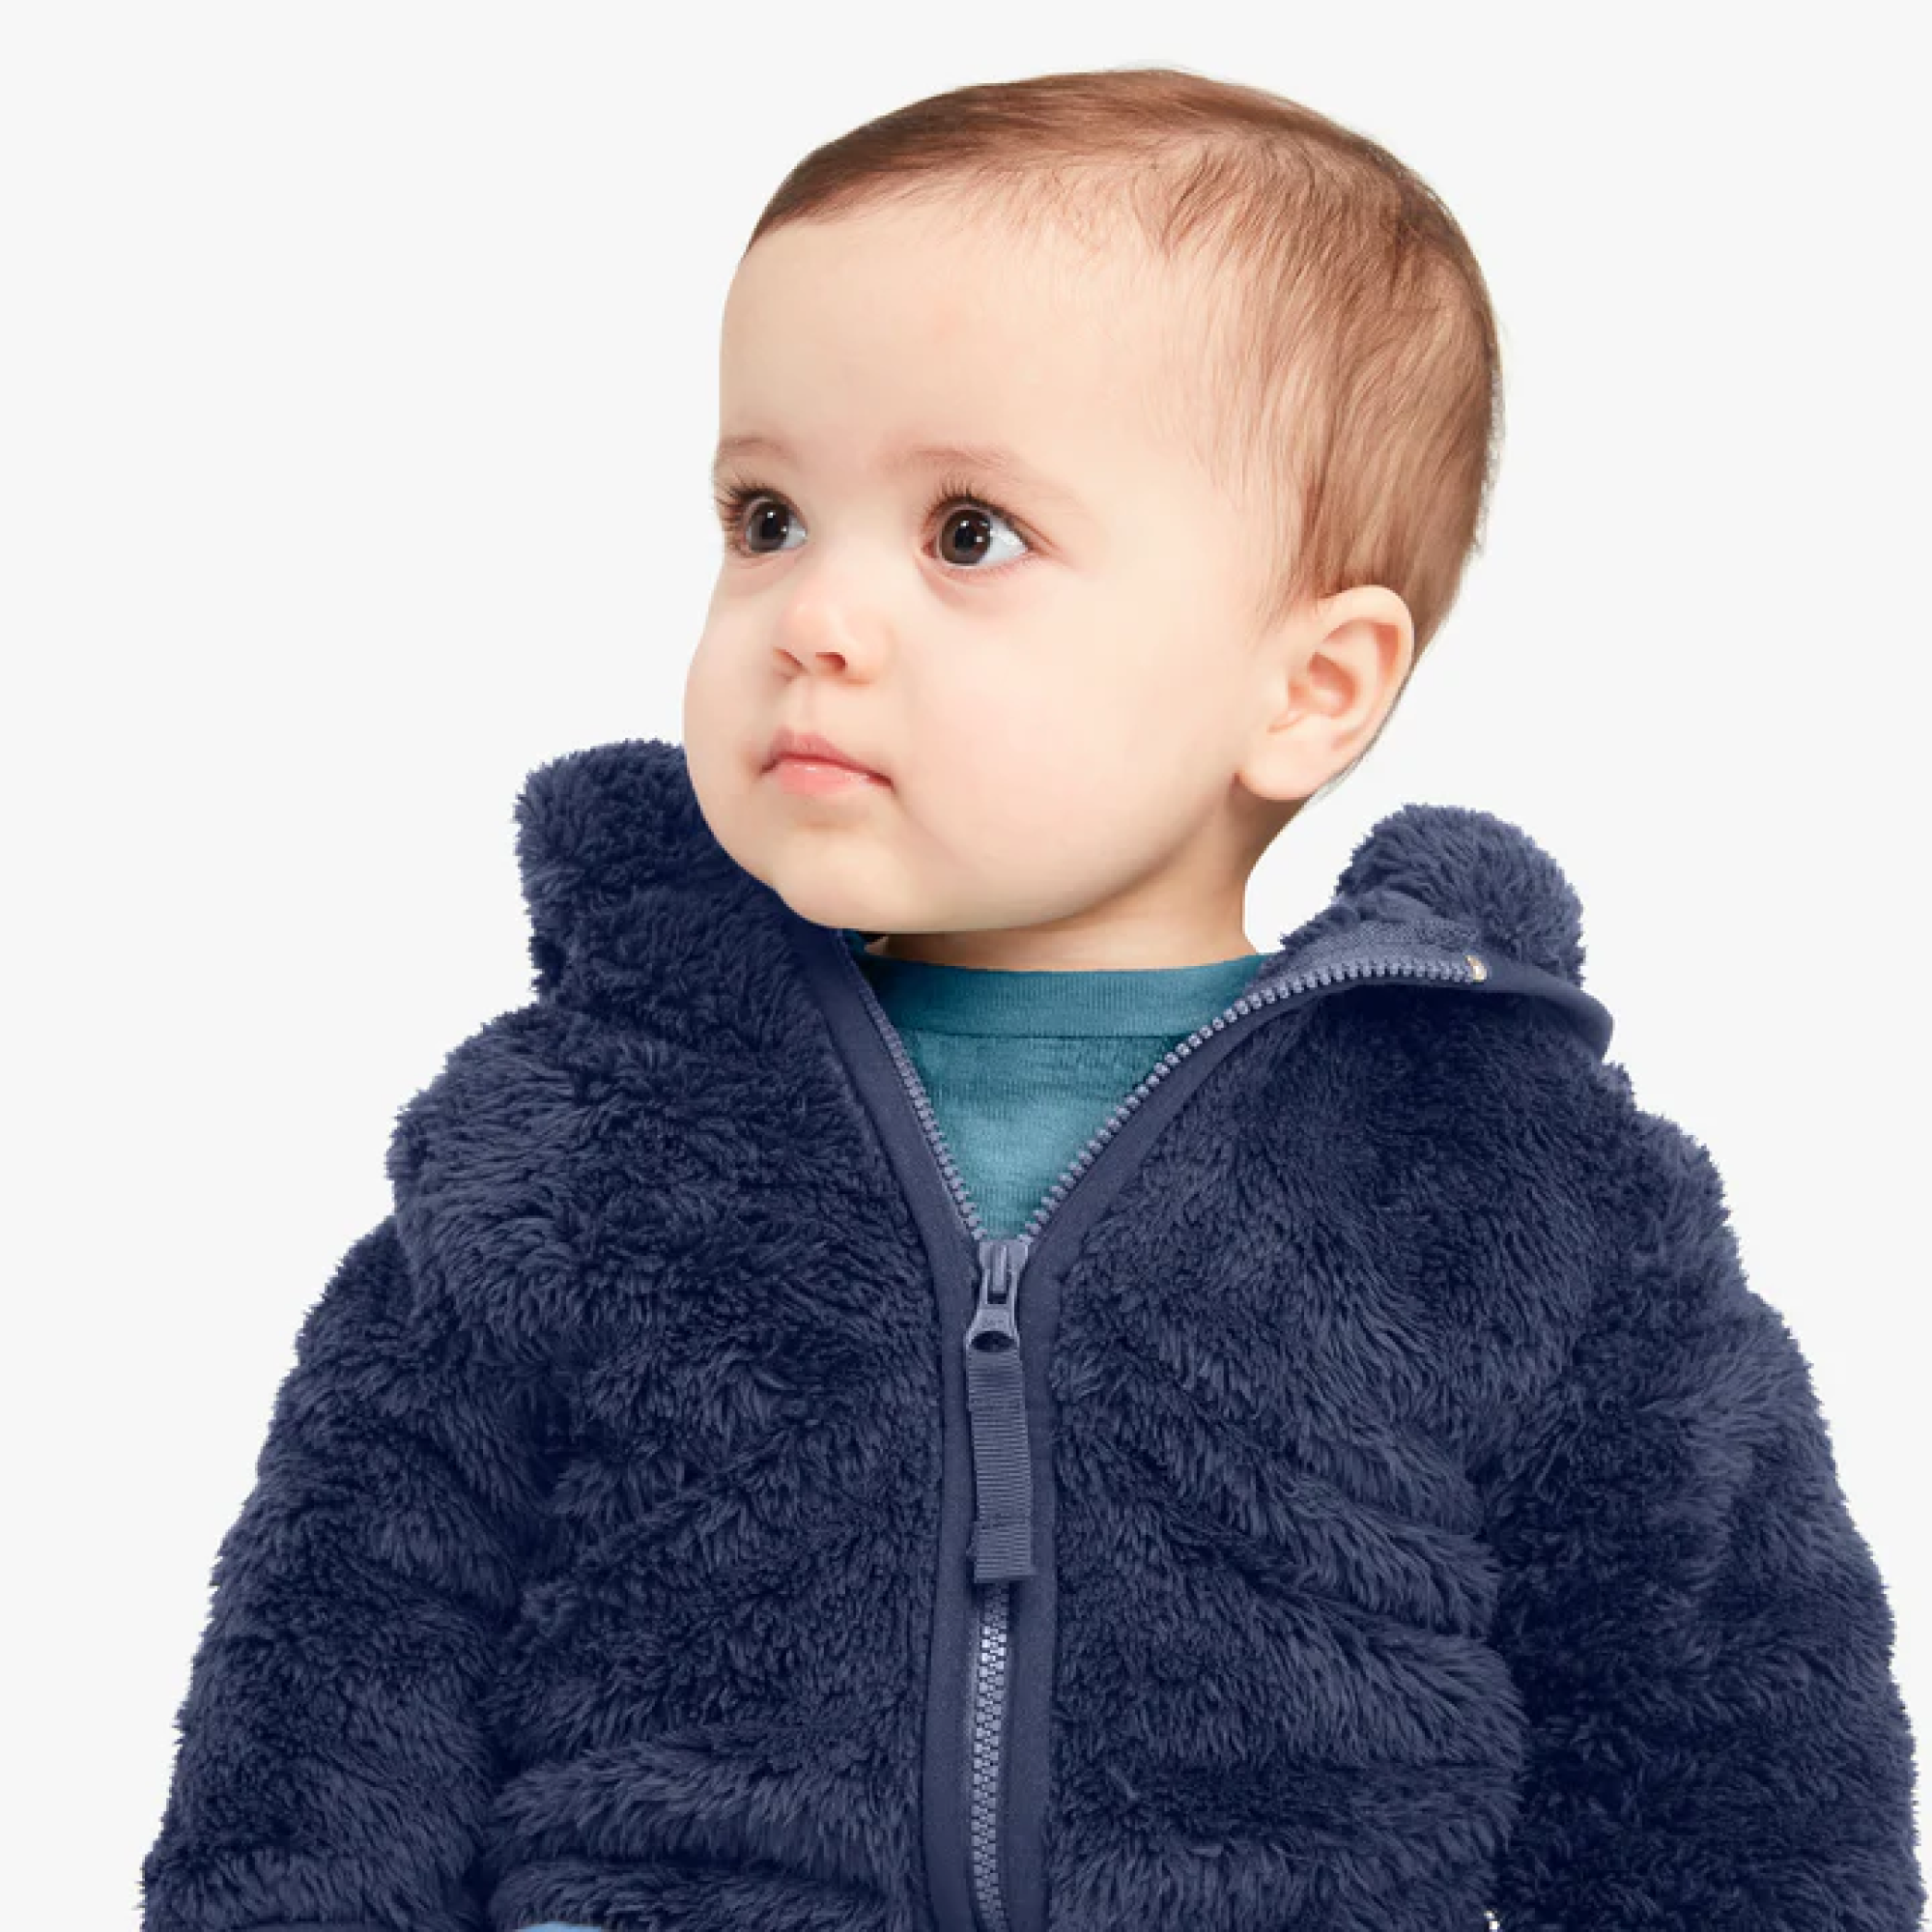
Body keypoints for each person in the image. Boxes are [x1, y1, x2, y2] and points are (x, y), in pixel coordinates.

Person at [139, 66, 1924, 1932]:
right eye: (766, 516)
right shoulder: (585, 1128)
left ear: (1309, 689)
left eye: (968, 534)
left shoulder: (1498, 1178)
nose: (813, 617)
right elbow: (333, 1684)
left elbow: (1727, 1767)